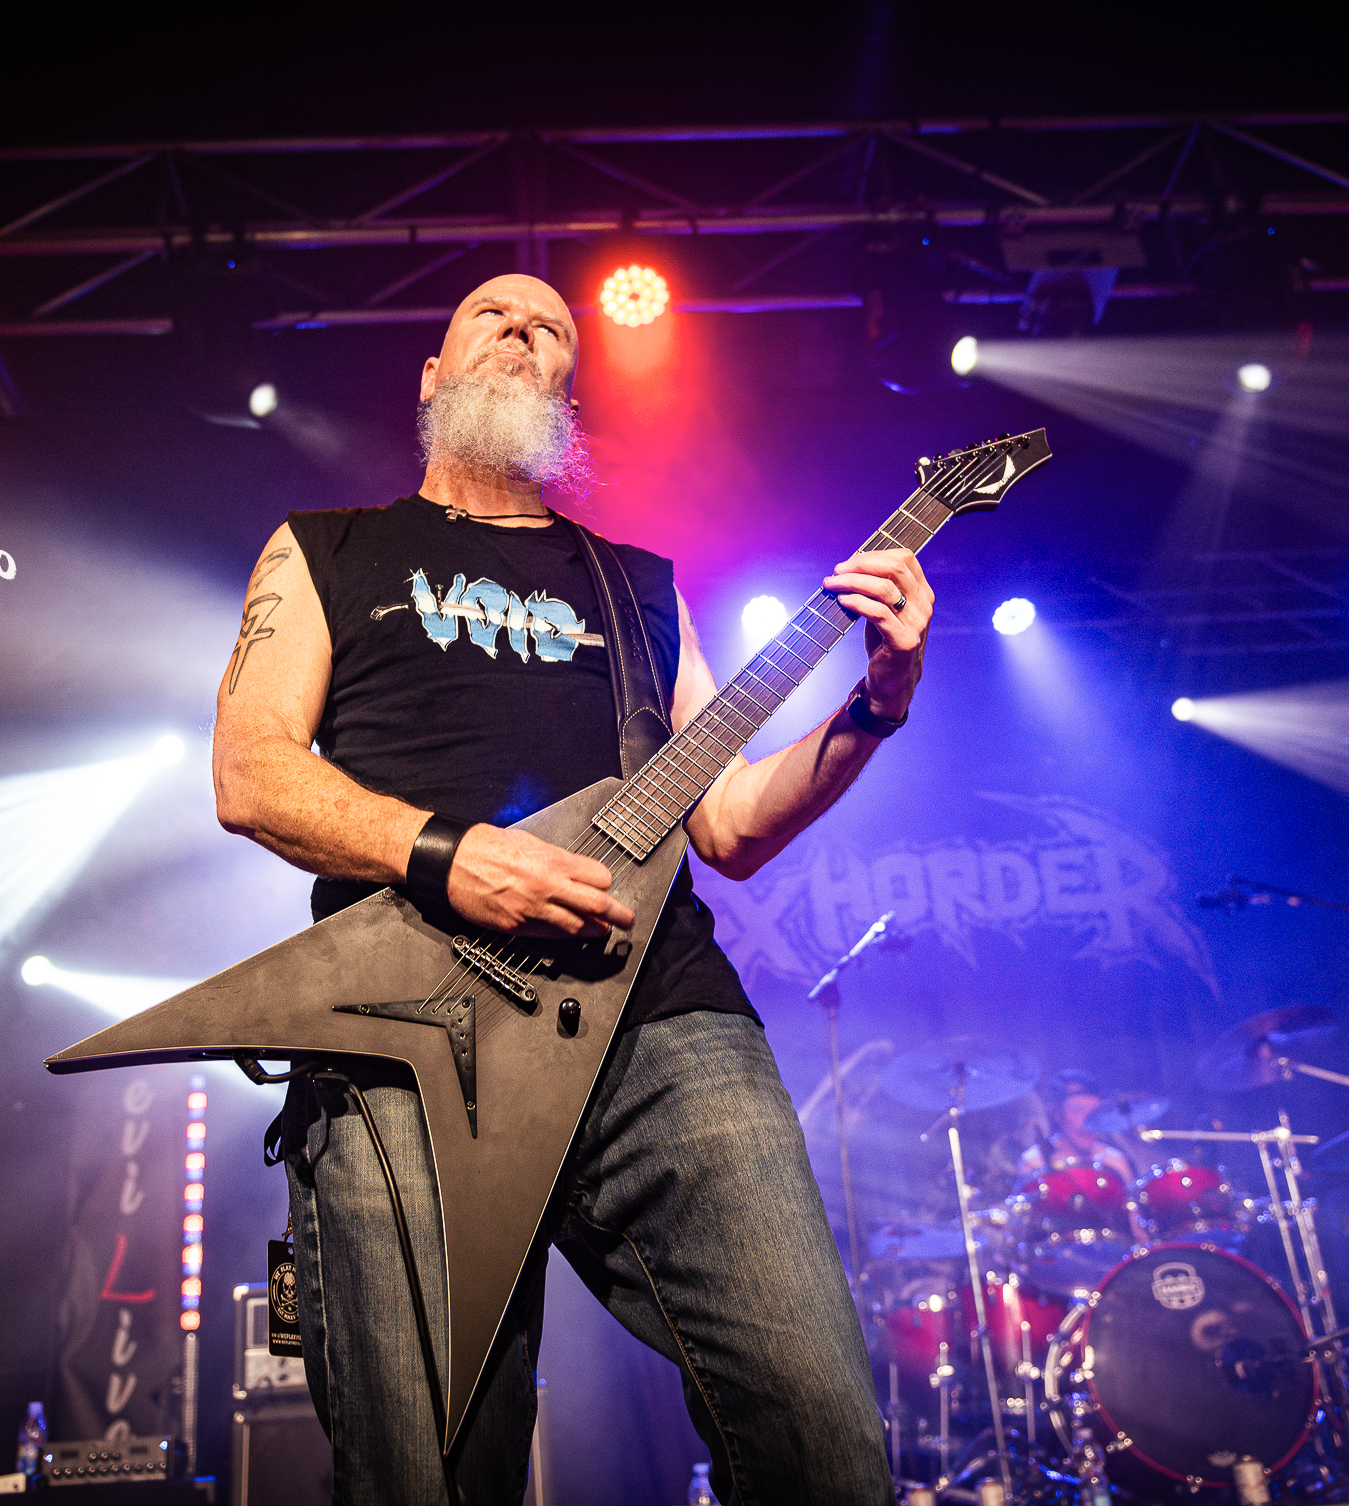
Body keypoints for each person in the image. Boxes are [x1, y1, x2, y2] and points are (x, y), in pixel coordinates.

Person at [211, 273, 926, 1505]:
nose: (521, 329)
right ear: (433, 377)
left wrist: (877, 704)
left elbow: (729, 823)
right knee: (430, 1475)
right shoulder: (326, 548)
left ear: (567, 398)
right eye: (490, 316)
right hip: (406, 1036)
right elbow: (251, 771)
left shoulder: (636, 586)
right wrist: (450, 854)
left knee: (825, 1442)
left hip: (662, 1026)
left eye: (549, 328)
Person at [1018, 1069, 1136, 1184]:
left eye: (1094, 1111)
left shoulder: (1115, 1161)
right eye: (1078, 1110)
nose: (1088, 1120)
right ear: (1057, 1114)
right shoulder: (1034, 1162)